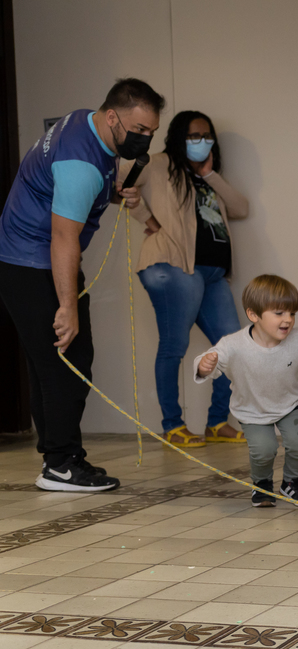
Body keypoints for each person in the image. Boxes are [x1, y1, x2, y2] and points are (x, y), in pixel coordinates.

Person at [0, 78, 163, 492]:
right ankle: (60, 465)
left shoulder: (82, 122)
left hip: (24, 258)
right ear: (112, 117)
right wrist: (67, 306)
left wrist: (115, 194)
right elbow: (63, 237)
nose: (145, 140)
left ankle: (61, 457)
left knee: (53, 364)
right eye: (139, 130)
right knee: (65, 364)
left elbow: (69, 188)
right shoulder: (81, 166)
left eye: (152, 132)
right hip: (32, 262)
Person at [123, 110, 249, 448]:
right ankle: (173, 426)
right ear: (179, 137)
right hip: (172, 265)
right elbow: (120, 183)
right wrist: (147, 219)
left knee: (232, 348)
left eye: (207, 136)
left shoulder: (208, 176)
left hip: (212, 274)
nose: (201, 142)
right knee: (174, 345)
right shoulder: (158, 164)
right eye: (194, 136)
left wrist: (209, 174)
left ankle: (217, 422)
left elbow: (241, 208)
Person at [194, 275, 298, 507]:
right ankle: (262, 484)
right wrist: (203, 366)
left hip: (290, 403)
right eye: (279, 313)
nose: (288, 320)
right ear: (253, 315)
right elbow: (210, 361)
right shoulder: (233, 345)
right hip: (252, 408)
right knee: (264, 450)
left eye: (292, 313)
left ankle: (293, 483)